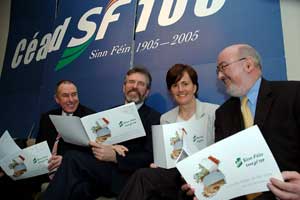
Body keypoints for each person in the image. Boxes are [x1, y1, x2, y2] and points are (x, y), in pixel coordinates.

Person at [184, 43, 300, 200]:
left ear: (248, 64)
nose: (220, 76)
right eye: (218, 70)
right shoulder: (223, 113)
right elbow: (222, 164)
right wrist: (205, 184)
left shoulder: (293, 94)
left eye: (223, 67)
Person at [42, 67, 161, 200]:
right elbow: (96, 144)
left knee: (72, 158)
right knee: (79, 188)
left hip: (127, 177)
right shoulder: (108, 113)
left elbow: (150, 157)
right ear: (123, 87)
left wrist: (116, 157)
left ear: (147, 92)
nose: (134, 86)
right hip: (101, 172)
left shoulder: (155, 118)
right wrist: (106, 148)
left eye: (141, 84)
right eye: (131, 82)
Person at [118, 63, 219, 200]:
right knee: (144, 175)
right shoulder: (165, 118)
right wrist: (158, 165)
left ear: (194, 87)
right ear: (170, 91)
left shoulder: (214, 112)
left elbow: (221, 152)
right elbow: (165, 157)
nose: (180, 89)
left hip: (204, 173)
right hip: (175, 175)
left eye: (185, 84)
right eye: (175, 85)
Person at [0, 80, 95, 200]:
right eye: (65, 95)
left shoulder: (89, 117)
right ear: (56, 99)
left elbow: (93, 156)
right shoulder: (47, 118)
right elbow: (39, 148)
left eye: (74, 94)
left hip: (70, 172)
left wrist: (65, 160)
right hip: (43, 169)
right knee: (9, 179)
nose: (71, 99)